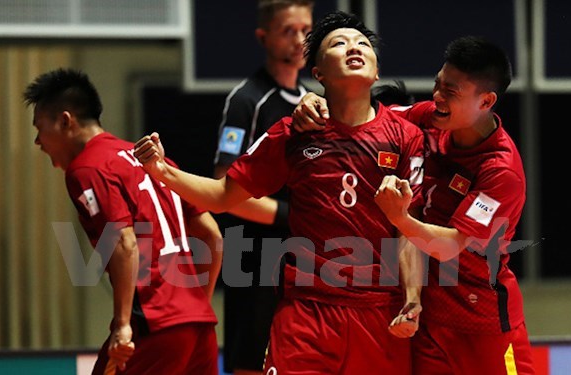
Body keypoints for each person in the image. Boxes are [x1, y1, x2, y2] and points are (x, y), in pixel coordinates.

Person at [134, 11, 424, 375]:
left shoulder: (406, 137)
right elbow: (223, 194)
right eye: (339, 43)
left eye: (363, 44)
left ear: (377, 71)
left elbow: (409, 231)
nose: (354, 47)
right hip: (307, 313)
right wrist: (162, 171)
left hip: (380, 314)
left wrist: (413, 298)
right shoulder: (291, 134)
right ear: (317, 73)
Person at [292, 35, 535, 374]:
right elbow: (363, 117)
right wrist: (315, 104)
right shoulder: (429, 119)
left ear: (486, 101)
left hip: (483, 323)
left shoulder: (501, 171)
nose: (437, 97)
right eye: (438, 84)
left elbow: (452, 245)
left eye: (451, 92)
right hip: (428, 321)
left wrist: (400, 218)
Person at [24, 68, 223, 375]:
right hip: (200, 328)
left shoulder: (87, 168)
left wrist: (122, 326)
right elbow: (213, 236)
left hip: (154, 327)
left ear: (65, 121)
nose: (38, 141)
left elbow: (124, 242)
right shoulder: (156, 161)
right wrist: (197, 306)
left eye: (40, 128)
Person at [211, 1, 314, 373]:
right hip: (254, 255)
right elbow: (224, 187)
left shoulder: (313, 103)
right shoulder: (246, 101)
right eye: (289, 30)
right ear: (263, 37)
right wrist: (289, 215)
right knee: (251, 361)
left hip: (303, 254)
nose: (301, 40)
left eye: (306, 29)